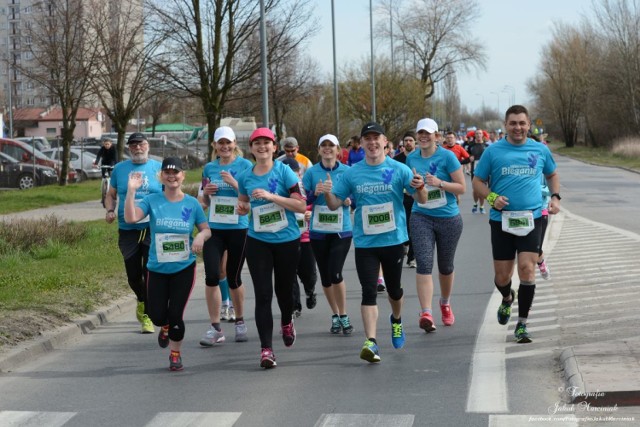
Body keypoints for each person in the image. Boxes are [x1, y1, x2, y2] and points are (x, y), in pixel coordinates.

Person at [322, 122, 428, 363]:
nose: (372, 143)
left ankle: (397, 320)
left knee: (394, 290)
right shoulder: (352, 173)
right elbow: (333, 204)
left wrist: (420, 187)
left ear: (385, 142)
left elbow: (420, 199)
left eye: (376, 138)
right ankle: (371, 341)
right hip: (365, 243)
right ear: (362, 143)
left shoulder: (400, 169)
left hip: (393, 239)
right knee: (368, 290)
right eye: (367, 139)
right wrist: (328, 192)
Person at [472, 105, 561, 344]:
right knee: (502, 276)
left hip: (532, 218)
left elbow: (552, 174)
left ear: (529, 125)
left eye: (522, 123)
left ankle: (522, 324)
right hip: (501, 220)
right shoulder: (493, 152)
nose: (518, 128)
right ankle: (506, 297)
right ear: (505, 125)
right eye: (513, 123)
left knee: (526, 269)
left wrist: (555, 197)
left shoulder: (540, 150)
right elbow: (477, 181)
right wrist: (492, 198)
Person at [124, 157, 211, 371]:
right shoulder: (153, 200)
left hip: (183, 268)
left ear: (183, 176)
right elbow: (131, 218)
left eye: (176, 172)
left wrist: (200, 238)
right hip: (156, 268)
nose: (172, 176)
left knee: (176, 315)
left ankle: (175, 353)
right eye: (167, 173)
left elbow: (206, 229)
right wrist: (131, 191)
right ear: (161, 176)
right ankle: (163, 327)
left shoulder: (191, 203)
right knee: (156, 315)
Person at [236, 127, 307, 369]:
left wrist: (272, 197)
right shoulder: (245, 176)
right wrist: (242, 209)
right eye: (257, 143)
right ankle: (266, 349)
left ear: (274, 147)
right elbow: (244, 202)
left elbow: (300, 205)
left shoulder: (284, 171)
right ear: (252, 148)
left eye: (267, 143)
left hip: (287, 240)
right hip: (258, 241)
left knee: (284, 292)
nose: (262, 147)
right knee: (263, 295)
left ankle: (287, 321)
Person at [405, 118, 466, 332]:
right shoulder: (411, 158)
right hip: (421, 216)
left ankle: (445, 303)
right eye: (420, 132)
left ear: (436, 136)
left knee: (446, 266)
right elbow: (409, 190)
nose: (423, 136)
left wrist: (439, 183)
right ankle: (426, 313)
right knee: (423, 263)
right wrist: (412, 187)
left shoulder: (448, 157)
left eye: (428, 133)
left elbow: (461, 188)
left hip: (448, 217)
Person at [199, 126, 253, 346]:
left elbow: (251, 196)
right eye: (220, 143)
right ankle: (215, 328)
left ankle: (240, 321)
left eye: (228, 142)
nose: (225, 146)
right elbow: (203, 200)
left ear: (234, 144)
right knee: (212, 275)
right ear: (214, 145)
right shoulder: (209, 168)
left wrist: (234, 183)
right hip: (214, 228)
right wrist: (207, 194)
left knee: (233, 276)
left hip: (238, 228)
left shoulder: (245, 166)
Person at [104, 132, 162, 334]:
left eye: (141, 144)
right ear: (129, 148)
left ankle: (147, 315)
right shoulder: (120, 169)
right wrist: (110, 210)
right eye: (133, 145)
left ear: (148, 146)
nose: (138, 148)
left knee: (149, 271)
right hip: (127, 228)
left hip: (150, 228)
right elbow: (110, 195)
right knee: (133, 275)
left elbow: (168, 193)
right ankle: (140, 299)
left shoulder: (157, 168)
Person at [302, 134, 354, 335]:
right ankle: (335, 315)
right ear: (318, 150)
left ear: (338, 149)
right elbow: (302, 199)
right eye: (323, 145)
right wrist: (314, 193)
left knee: (336, 273)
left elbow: (356, 196)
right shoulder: (311, 173)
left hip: (342, 230)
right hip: (318, 231)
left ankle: (344, 314)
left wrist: (349, 200)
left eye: (330, 145)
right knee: (325, 277)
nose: (327, 149)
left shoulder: (348, 171)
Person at [281, 157, 318, 318]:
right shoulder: (279, 190)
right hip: (287, 239)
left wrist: (311, 213)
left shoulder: (305, 188)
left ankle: (310, 291)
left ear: (299, 172)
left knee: (308, 273)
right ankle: (295, 305)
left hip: (306, 238)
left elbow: (317, 205)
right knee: (290, 274)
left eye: (294, 172)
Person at [393, 131, 417, 268]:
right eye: (406, 140)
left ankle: (412, 258)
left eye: (411, 140)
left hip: (415, 198)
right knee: (403, 224)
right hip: (401, 198)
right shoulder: (396, 159)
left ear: (415, 143)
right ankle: (404, 243)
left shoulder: (418, 158)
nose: (408, 143)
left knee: (414, 226)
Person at [468, 129, 488, 213]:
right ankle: (475, 204)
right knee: (475, 189)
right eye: (477, 133)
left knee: (482, 189)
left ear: (482, 135)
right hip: (474, 169)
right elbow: (466, 155)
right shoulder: (470, 146)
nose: (478, 135)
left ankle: (482, 206)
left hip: (485, 169)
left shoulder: (487, 146)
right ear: (474, 135)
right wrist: (469, 157)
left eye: (480, 133)